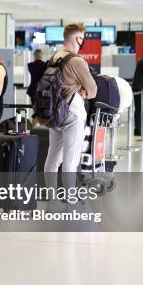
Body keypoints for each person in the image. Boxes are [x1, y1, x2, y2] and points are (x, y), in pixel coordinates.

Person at [44, 23, 97, 192]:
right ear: (78, 38)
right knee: (70, 161)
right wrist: (83, 90)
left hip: (53, 111)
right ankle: (70, 202)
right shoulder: (77, 61)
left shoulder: (55, 57)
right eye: (83, 38)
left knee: (52, 158)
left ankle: (52, 200)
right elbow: (93, 90)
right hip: (71, 111)